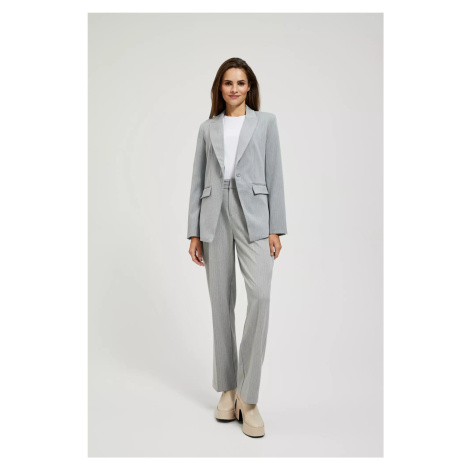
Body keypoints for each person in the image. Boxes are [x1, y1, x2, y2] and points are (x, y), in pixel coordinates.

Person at [187, 57, 288, 438]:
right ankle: (228, 389)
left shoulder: (266, 123)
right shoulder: (207, 128)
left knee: (260, 296)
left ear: (250, 87)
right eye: (228, 83)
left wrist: (276, 227)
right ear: (220, 87)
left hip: (255, 215)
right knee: (221, 303)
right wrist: (194, 232)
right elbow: (197, 180)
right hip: (214, 215)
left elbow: (275, 174)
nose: (234, 89)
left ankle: (249, 396)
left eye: (241, 83)